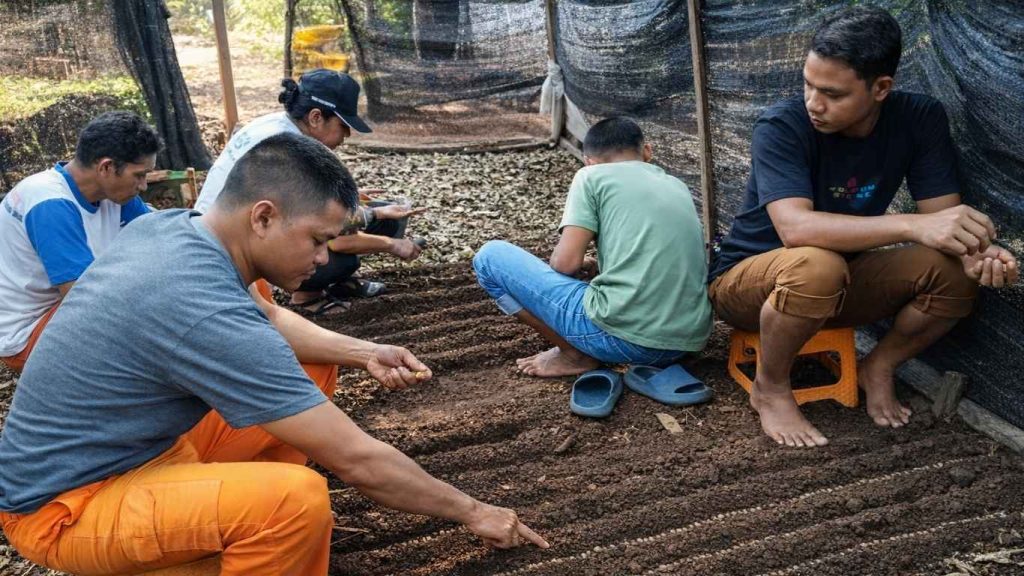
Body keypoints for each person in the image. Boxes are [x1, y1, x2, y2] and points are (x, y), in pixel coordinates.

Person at [0, 133, 547, 576]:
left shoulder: (176, 231)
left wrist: (364, 351)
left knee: (314, 363)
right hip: (67, 508)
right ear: (262, 217)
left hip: (141, 449)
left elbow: (266, 316)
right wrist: (476, 511)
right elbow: (357, 460)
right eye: (317, 239)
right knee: (295, 503)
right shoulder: (199, 307)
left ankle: (228, 531)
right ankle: (248, 535)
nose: (324, 256)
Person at [708, 5, 1018, 448]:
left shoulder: (919, 119)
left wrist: (979, 254)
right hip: (748, 283)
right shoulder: (782, 125)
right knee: (816, 265)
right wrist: (913, 226)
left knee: (949, 275)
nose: (814, 103)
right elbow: (795, 228)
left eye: (832, 93)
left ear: (881, 88)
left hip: (837, 281)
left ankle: (881, 365)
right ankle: (771, 386)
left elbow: (944, 223)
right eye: (808, 85)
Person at [473, 117, 712, 377]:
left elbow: (565, 264)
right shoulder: (676, 185)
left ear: (589, 161)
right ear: (647, 151)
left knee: (490, 257)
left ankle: (574, 355)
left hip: (626, 342)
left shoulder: (590, 176)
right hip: (688, 341)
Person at [194, 68, 426, 314]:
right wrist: (391, 241)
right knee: (341, 247)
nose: (347, 135)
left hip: (234, 230)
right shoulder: (287, 151)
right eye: (343, 125)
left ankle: (338, 284)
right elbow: (334, 237)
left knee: (376, 215)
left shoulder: (275, 125)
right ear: (316, 117)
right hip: (228, 249)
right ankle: (307, 296)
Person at [0, 110, 161, 372]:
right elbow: (85, 301)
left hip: (70, 306)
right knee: (159, 346)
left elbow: (158, 237)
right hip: (30, 330)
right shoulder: (50, 204)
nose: (143, 186)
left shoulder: (113, 193)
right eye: (139, 175)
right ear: (106, 167)